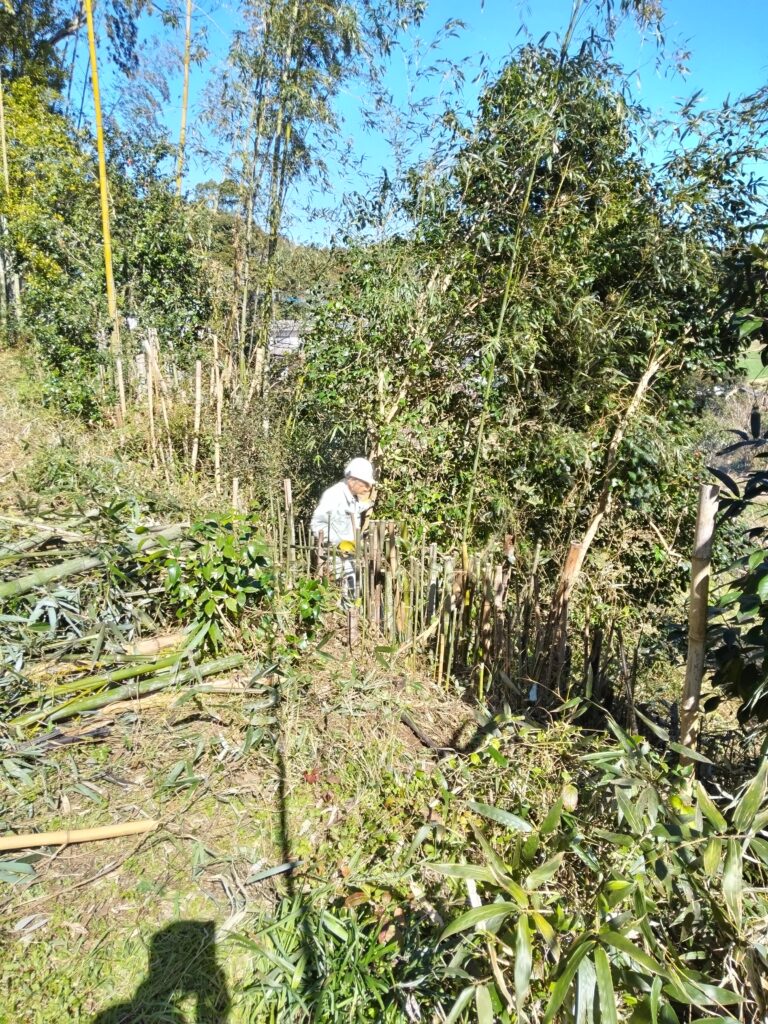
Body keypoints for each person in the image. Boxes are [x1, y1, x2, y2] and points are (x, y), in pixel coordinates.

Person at [310, 457, 376, 603]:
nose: (367, 488)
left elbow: (349, 513)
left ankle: (350, 619)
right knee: (338, 596)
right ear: (353, 480)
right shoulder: (334, 495)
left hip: (349, 556)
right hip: (335, 556)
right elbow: (317, 524)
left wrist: (368, 503)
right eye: (365, 483)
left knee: (351, 595)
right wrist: (338, 543)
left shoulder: (351, 497)